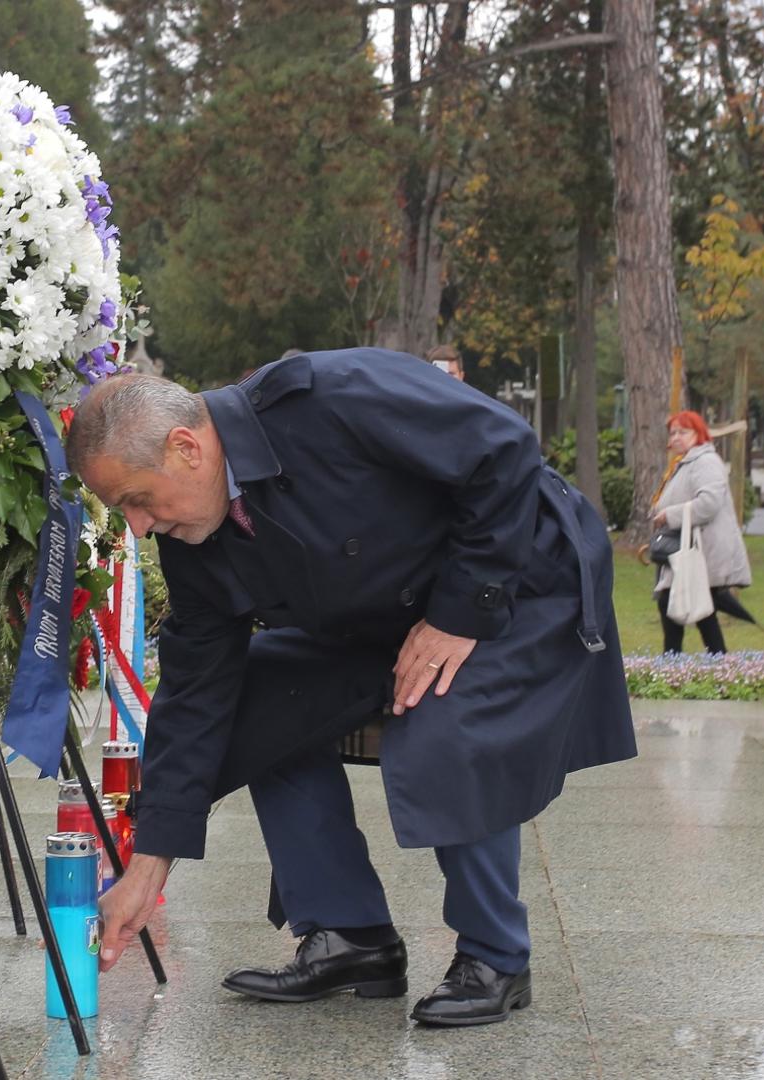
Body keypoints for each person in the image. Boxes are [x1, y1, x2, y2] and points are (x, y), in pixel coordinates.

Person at [65, 350, 635, 1028]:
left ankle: (495, 955)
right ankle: (351, 934)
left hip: (519, 580)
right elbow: (197, 693)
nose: (136, 526)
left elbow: (504, 453)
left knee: (440, 710)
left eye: (135, 500)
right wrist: (148, 862)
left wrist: (459, 612)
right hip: (387, 612)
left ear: (186, 448)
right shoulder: (192, 536)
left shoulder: (334, 397)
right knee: (257, 700)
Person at [651, 410, 753, 654]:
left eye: (683, 432)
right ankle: (713, 664)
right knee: (699, 611)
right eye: (673, 432)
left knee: (675, 603)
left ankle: (674, 664)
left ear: (698, 434)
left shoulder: (705, 461)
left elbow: (708, 503)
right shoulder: (685, 462)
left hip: (702, 552)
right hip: (688, 551)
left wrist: (670, 515)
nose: (676, 437)